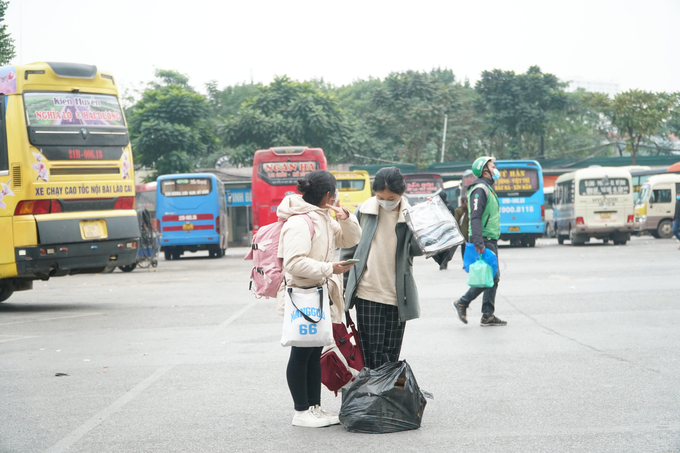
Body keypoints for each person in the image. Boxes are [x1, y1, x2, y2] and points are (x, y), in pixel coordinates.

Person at [277, 170, 362, 428]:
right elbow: (293, 263)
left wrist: (346, 218)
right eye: (334, 193)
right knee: (301, 352)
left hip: (318, 293)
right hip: (303, 295)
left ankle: (314, 407)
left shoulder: (324, 217)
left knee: (314, 351)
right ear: (328, 195)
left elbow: (350, 238)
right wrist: (329, 269)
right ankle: (301, 411)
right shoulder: (300, 222)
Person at [341, 167, 423, 370]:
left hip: (397, 296)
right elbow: (349, 249)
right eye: (380, 197)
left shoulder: (411, 216)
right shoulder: (363, 211)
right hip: (368, 293)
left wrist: (426, 222)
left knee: (391, 356)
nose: (386, 201)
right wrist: (345, 288)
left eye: (391, 197)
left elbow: (417, 250)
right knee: (370, 355)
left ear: (401, 193)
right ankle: (372, 399)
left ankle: (387, 399)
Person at [452, 156, 507, 327]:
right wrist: (478, 243)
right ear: (485, 170)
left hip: (489, 237)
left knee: (493, 276)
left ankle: (487, 314)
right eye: (492, 165)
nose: (495, 167)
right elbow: (474, 217)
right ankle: (463, 302)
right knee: (490, 276)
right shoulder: (479, 189)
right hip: (483, 239)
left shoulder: (488, 188)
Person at [432, 191, 458, 270]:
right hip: (448, 230)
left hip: (438, 230)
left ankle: (441, 262)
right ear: (446, 197)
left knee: (438, 247)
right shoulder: (450, 207)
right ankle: (444, 262)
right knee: (448, 247)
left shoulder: (436, 207)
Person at [454, 196, 469, 265]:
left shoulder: (458, 210)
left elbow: (455, 221)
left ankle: (465, 263)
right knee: (470, 248)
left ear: (461, 201)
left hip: (462, 233)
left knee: (463, 248)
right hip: (471, 232)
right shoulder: (470, 210)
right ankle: (470, 262)